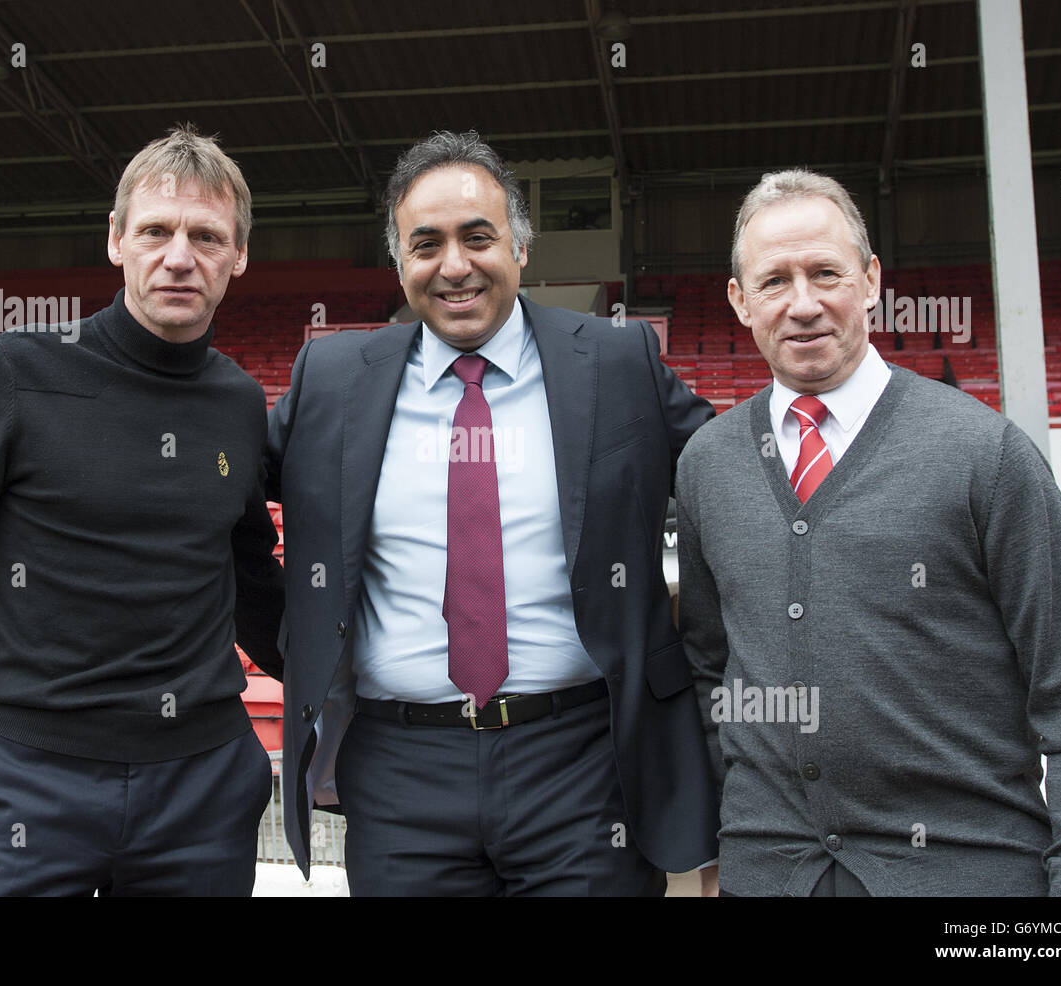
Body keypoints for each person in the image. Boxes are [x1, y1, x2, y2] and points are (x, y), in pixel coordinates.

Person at [263, 131, 719, 896]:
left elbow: (732, 480)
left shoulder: (617, 361)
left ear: (520, 247)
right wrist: (284, 638)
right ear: (400, 262)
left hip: (584, 766)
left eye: (479, 237)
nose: (454, 266)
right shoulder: (332, 379)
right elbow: (221, 504)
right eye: (426, 244)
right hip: (400, 773)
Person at [0, 124, 285, 897]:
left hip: (203, 791)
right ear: (117, 241)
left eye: (207, 236)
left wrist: (369, 687)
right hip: (27, 780)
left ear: (239, 256)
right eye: (156, 230)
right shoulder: (19, 371)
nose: (179, 256)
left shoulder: (240, 402)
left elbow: (252, 584)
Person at [675, 168, 1061, 896]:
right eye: (775, 281)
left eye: (826, 273)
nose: (804, 304)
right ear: (740, 301)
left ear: (873, 280)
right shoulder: (707, 465)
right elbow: (709, 669)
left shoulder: (987, 454)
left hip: (966, 875)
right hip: (774, 871)